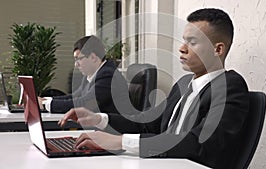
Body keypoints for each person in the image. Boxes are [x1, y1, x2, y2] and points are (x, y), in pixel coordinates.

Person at [59, 8, 249, 168]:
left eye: (192, 42)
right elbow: (147, 123)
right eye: (184, 41)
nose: (182, 48)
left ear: (218, 50)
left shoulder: (230, 86)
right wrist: (99, 119)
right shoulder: (183, 85)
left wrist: (120, 141)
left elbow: (199, 143)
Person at [39, 35, 128, 114]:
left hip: (112, 130)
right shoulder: (90, 75)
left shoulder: (108, 76)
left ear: (93, 57)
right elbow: (76, 96)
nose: (76, 64)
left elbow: (86, 103)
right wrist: (47, 100)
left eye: (79, 59)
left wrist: (46, 104)